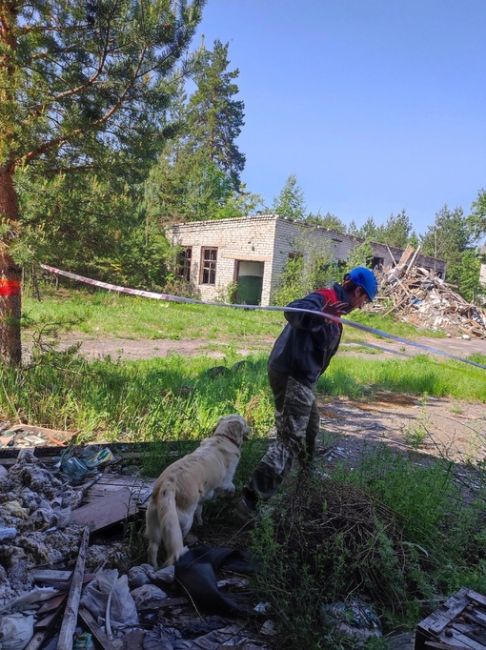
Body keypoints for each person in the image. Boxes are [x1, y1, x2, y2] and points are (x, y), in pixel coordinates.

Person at [236, 266, 378, 518]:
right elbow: (292, 310)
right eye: (365, 298)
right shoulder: (324, 298)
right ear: (357, 290)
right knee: (289, 439)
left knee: (311, 427)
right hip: (293, 374)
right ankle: (250, 500)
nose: (363, 305)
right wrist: (319, 316)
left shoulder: (336, 306)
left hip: (301, 376)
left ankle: (306, 479)